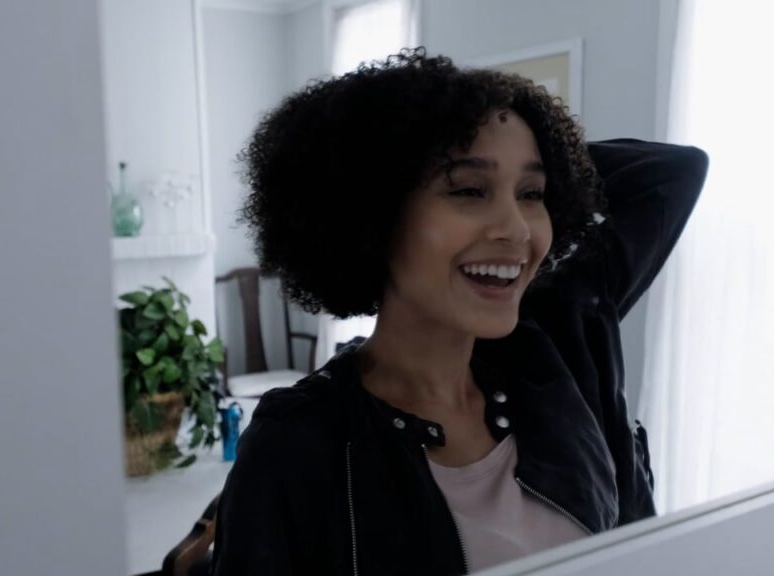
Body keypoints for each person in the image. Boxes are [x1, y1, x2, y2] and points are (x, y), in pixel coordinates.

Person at [212, 47, 708, 575]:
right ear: (372, 213)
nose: (516, 230)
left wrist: (540, 156)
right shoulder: (300, 442)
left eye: (532, 193)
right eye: (470, 190)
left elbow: (673, 173)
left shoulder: (558, 343)